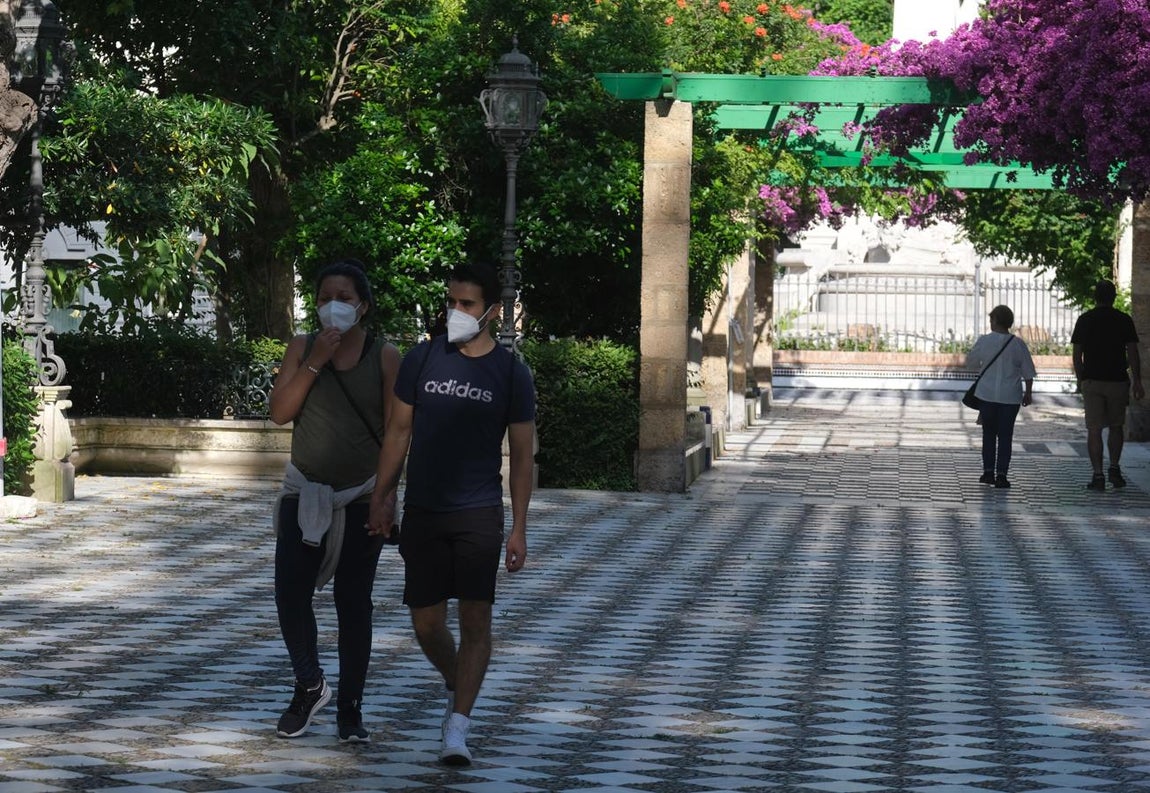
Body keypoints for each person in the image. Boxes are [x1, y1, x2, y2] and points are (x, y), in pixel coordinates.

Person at [369, 262, 536, 766]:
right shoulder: (423, 358)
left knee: (476, 619)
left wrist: (520, 527)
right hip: (424, 509)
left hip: (479, 512)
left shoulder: (511, 373)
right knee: (425, 623)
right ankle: (456, 677)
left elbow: (523, 455)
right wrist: (382, 495)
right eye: (451, 303)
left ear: (491, 312)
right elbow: (398, 433)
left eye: (466, 305)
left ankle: (457, 726)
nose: (456, 313)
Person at [268, 259, 401, 742]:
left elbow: (396, 432)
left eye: (344, 298)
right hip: (304, 492)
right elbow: (281, 412)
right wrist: (315, 361)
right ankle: (309, 685)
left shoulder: (384, 356)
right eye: (325, 298)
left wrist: (387, 496)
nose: (333, 307)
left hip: (363, 496)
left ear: (362, 306)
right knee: (290, 592)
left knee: (353, 603)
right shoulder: (302, 347)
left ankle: (350, 708)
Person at [1071, 279, 1144, 490]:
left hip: (1092, 380)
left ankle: (1098, 475)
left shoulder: (1085, 320)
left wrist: (1080, 378)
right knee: (1116, 426)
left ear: (1096, 297)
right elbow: (1132, 352)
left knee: (1094, 429)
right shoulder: (1124, 320)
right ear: (1113, 297)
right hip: (1117, 380)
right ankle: (1114, 466)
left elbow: (1077, 354)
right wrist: (1137, 380)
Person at [966, 305, 1035, 489]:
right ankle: (1002, 475)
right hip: (1010, 398)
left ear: (995, 321)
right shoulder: (1018, 344)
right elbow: (1028, 371)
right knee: (1006, 436)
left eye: (991, 320)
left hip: (987, 395)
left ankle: (988, 472)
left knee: (988, 434)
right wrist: (1028, 392)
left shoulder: (984, 341)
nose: (990, 323)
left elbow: (970, 363)